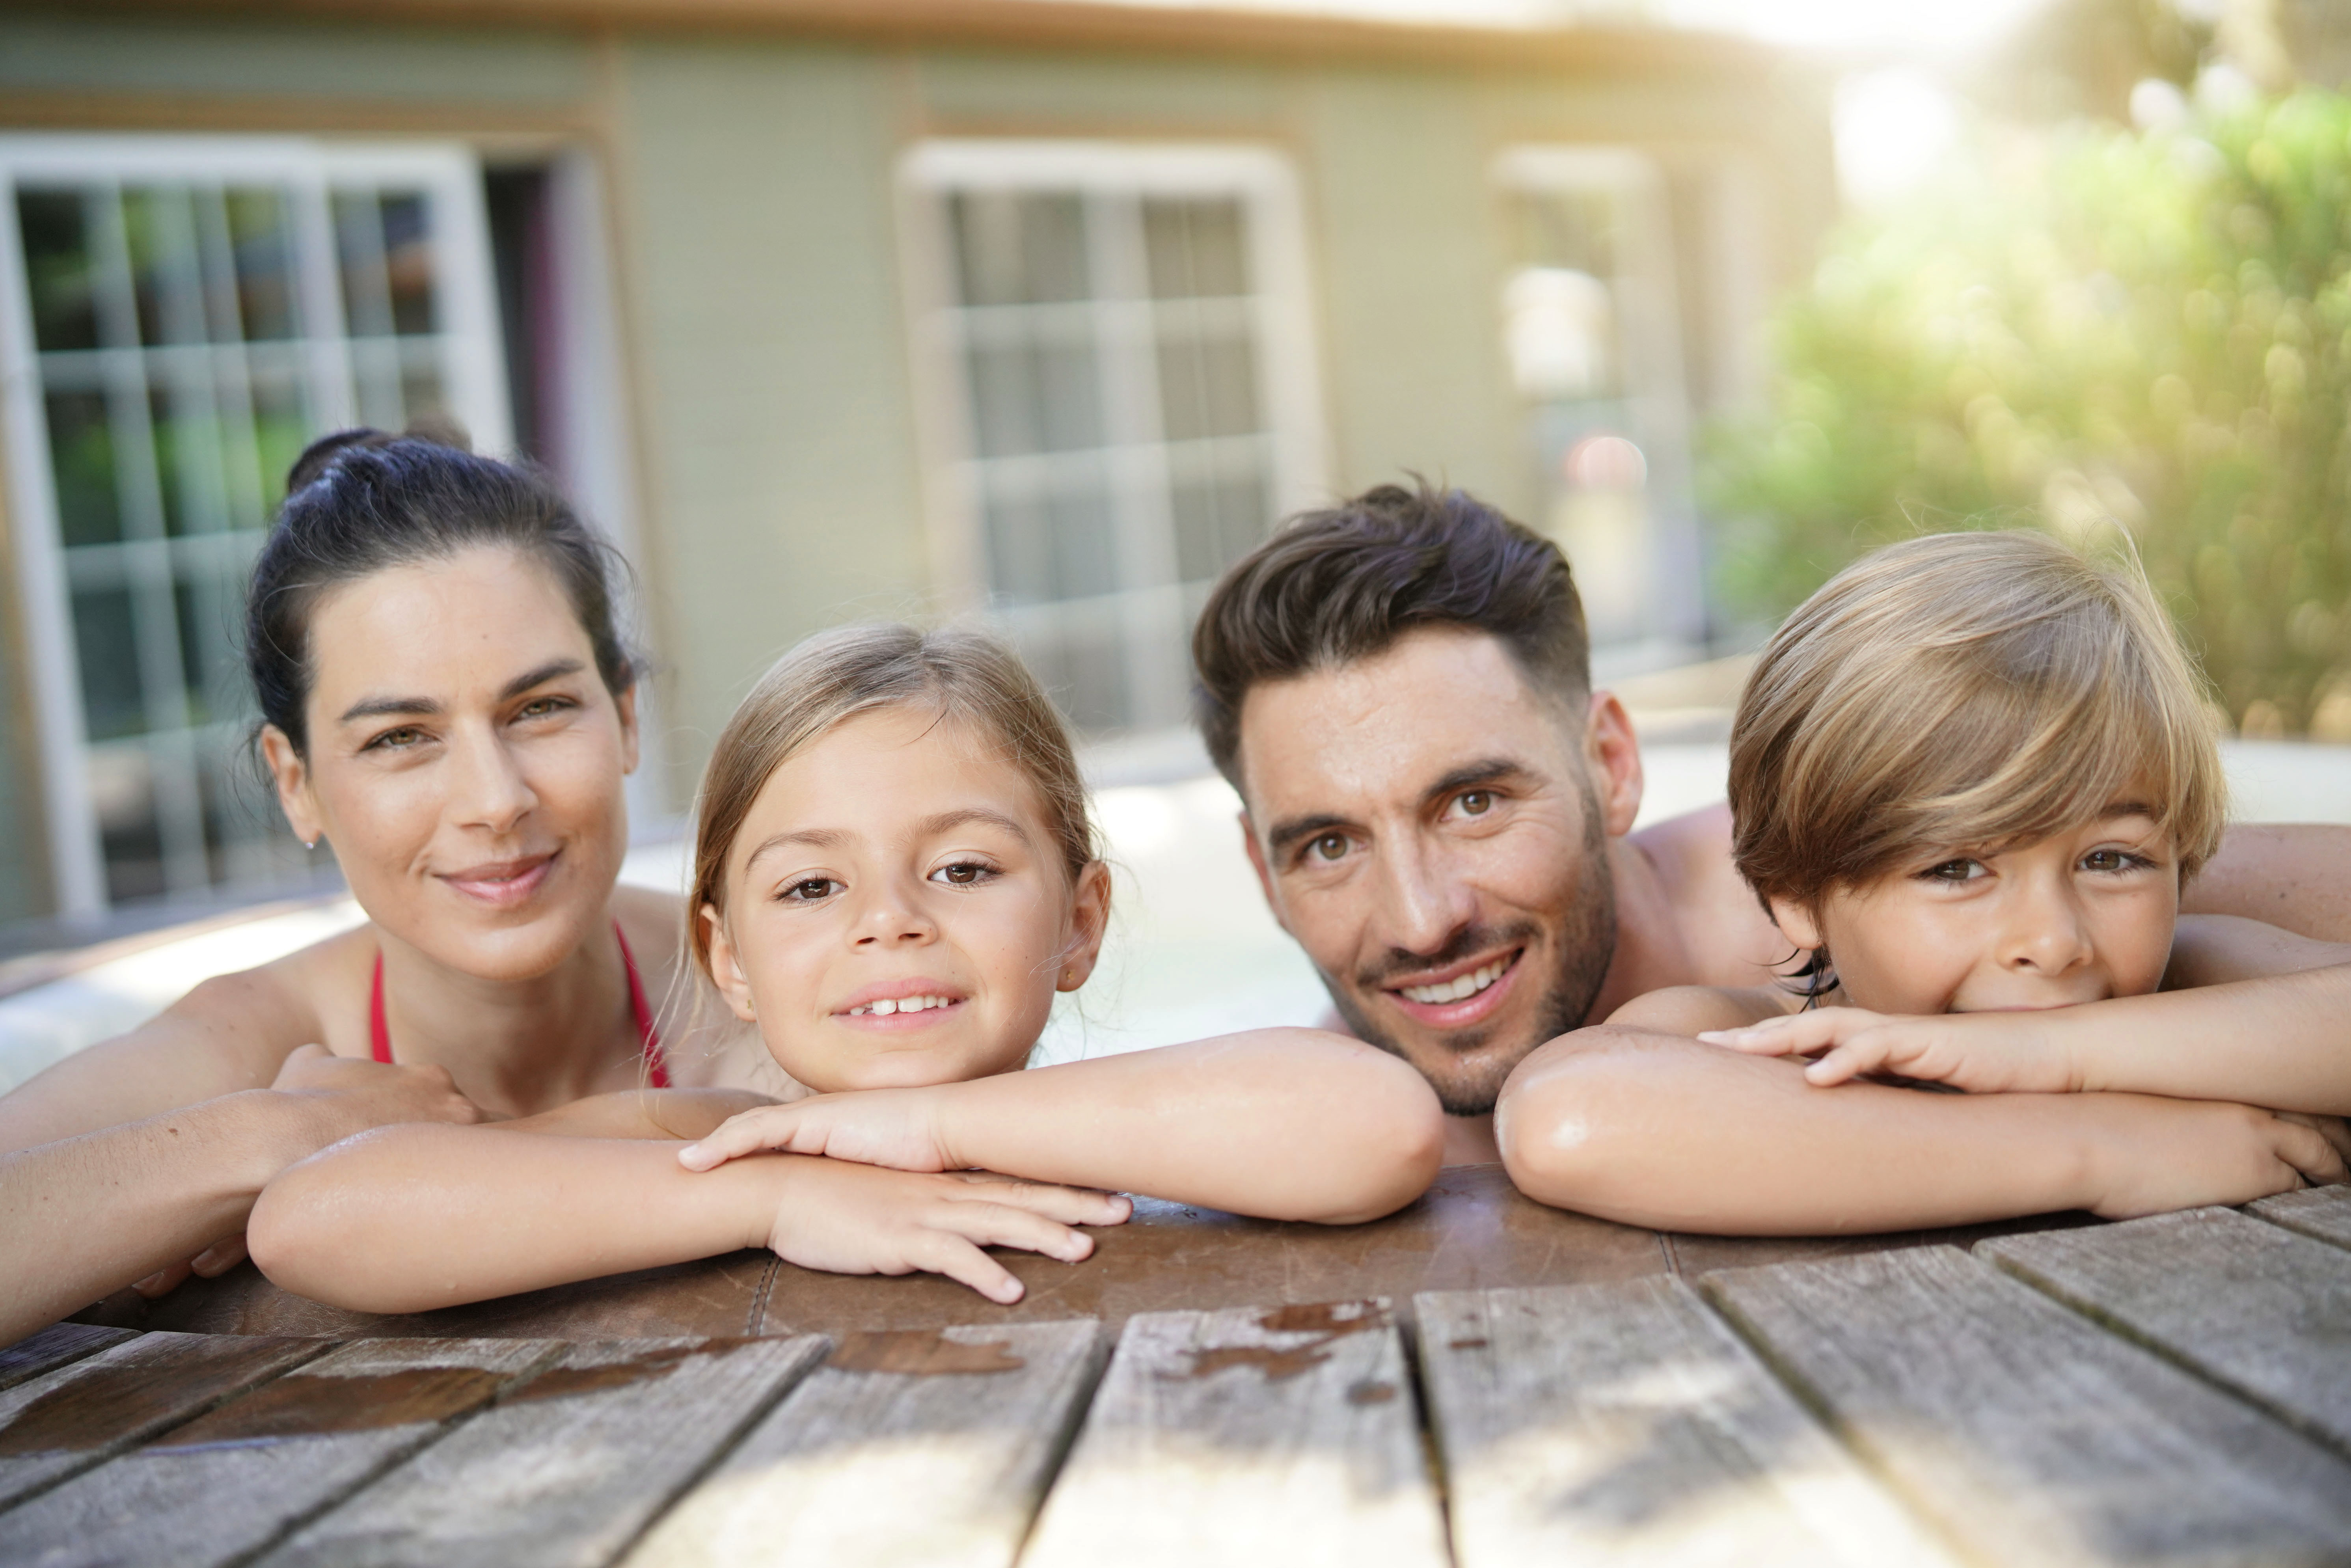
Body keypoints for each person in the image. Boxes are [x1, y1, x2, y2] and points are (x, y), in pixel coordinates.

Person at [0, 430, 1019, 1346]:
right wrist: (270, 1135)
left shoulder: (790, 978)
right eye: (400, 737)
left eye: (539, 709)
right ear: (297, 783)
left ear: (624, 716)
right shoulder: (247, 1048)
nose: (494, 800)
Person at [1189, 482, 2351, 1201]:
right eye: (1328, 845)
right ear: (1261, 873)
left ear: (1610, 767)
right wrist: (2092, 1143)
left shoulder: (1915, 866)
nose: (1419, 919)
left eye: (1475, 803)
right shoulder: (1312, 1103)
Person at [248, 623, 1443, 1310]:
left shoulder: (1133, 1121)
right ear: (729, 959)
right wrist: (773, 1196)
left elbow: (1376, 1121)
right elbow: (318, 1218)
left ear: (1080, 920)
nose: (889, 923)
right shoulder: (713, 1140)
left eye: (964, 870)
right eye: (812, 887)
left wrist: (927, 1126)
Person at [1503, 530, 2349, 1230]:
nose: (2053, 942)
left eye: (2110, 860)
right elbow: (1563, 1120)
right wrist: (2104, 1145)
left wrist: (2047, 1056)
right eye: (1956, 869)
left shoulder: (2194, 980)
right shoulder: (1749, 1042)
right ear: (1799, 894)